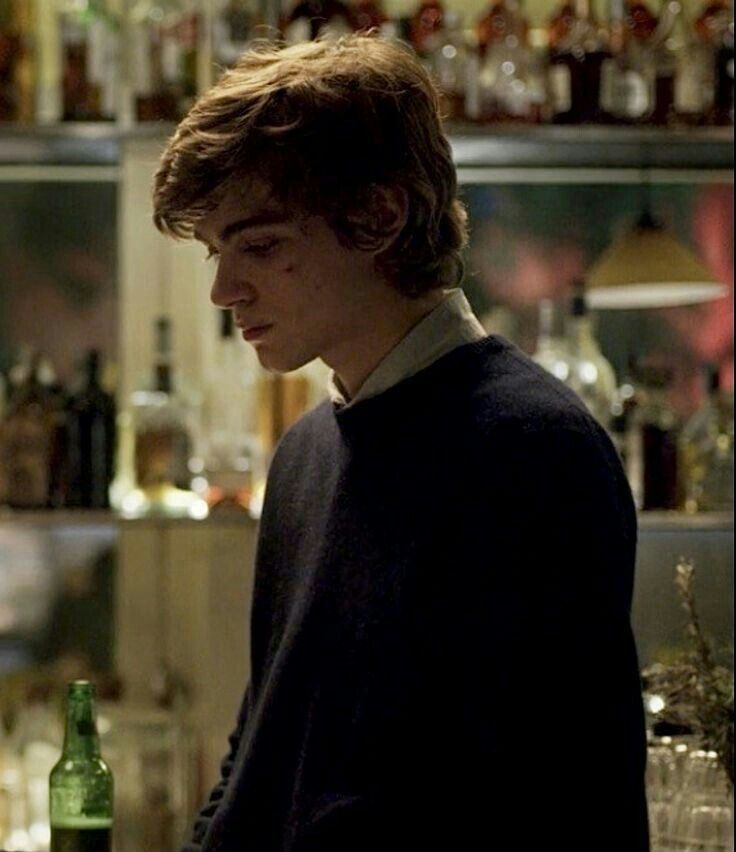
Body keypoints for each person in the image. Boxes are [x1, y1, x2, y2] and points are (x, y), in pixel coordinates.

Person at [153, 33, 650, 852]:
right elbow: (262, 751)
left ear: (379, 214)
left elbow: (558, 802)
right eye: (217, 251)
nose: (222, 288)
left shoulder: (533, 448)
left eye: (261, 244)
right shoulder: (307, 451)